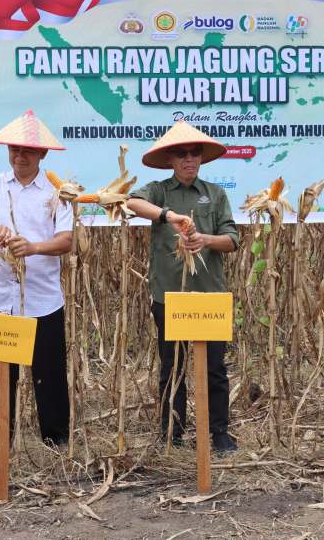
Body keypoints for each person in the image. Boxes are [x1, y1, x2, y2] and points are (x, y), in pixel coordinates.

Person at [0, 109, 74, 450]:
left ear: (42, 154)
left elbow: (66, 240)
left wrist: (33, 247)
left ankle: (55, 442)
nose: (19, 156)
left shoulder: (59, 192)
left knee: (49, 374)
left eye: (27, 151)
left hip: (42, 297)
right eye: (14, 150)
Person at [128, 121, 240, 452]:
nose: (189, 159)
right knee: (172, 367)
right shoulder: (159, 191)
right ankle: (172, 432)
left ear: (201, 159)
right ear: (171, 160)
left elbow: (233, 240)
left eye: (194, 154)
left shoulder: (215, 194)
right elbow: (132, 203)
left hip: (210, 295)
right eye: (182, 154)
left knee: (215, 369)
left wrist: (205, 239)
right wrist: (168, 217)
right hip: (170, 296)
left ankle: (218, 432)